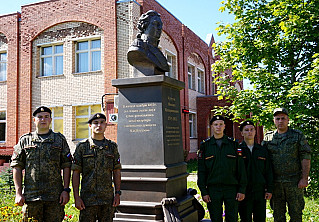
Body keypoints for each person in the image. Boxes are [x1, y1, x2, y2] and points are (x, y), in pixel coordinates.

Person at [11, 106, 72, 222]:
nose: (43, 120)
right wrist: (18, 193)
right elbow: (17, 166)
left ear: (50, 120)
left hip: (54, 197)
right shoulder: (25, 140)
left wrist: (65, 190)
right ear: (34, 120)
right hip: (31, 196)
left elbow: (67, 165)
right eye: (40, 117)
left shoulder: (59, 140)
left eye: (46, 117)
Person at [262, 108, 311, 222]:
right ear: (274, 121)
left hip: (294, 182)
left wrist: (304, 178)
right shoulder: (268, 137)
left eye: (283, 118)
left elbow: (306, 156)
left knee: (296, 214)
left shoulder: (297, 136)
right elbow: (263, 161)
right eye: (277, 118)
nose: (280, 121)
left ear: (288, 120)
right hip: (275, 184)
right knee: (278, 216)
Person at [72, 113, 121, 222]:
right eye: (95, 123)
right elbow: (75, 173)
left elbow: (116, 171)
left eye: (102, 122)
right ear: (90, 126)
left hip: (107, 200)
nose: (99, 125)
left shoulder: (112, 147)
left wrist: (117, 193)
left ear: (106, 125)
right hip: (87, 200)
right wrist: (76, 197)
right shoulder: (82, 147)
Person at [197, 115, 247, 221]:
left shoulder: (233, 144)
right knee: (215, 218)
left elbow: (241, 169)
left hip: (231, 189)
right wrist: (204, 192)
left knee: (232, 218)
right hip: (213, 190)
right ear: (211, 126)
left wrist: (242, 189)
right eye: (215, 125)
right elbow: (201, 171)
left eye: (220, 124)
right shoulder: (205, 146)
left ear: (224, 126)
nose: (218, 127)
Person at [238, 120, 273, 222]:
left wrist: (269, 189)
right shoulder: (238, 150)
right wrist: (239, 190)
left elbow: (268, 171)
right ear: (242, 133)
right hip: (244, 192)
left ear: (255, 131)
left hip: (260, 191)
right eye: (246, 130)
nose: (250, 132)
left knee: (260, 219)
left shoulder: (262, 150)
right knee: (245, 219)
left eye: (252, 129)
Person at [127, 10, 169, 75]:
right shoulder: (138, 47)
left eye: (160, 25)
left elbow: (165, 67)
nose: (159, 28)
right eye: (155, 24)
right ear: (144, 25)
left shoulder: (159, 52)